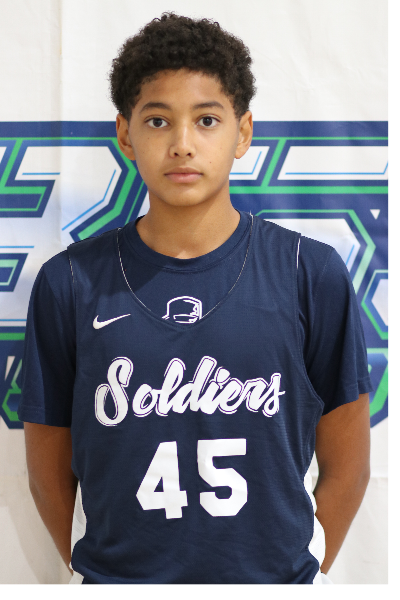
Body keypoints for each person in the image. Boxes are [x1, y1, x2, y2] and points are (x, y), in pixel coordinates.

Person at [18, 13, 372, 585]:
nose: (182, 145)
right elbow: (47, 471)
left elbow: (349, 464)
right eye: (158, 120)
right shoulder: (71, 283)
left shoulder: (309, 272)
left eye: (207, 120)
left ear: (243, 132)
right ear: (126, 135)